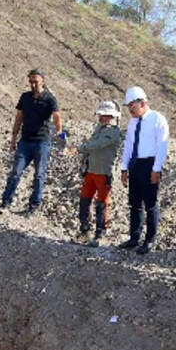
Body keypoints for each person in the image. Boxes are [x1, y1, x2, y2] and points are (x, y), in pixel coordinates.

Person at [0, 69, 63, 215]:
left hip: (42, 142)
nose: (33, 84)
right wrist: (13, 138)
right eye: (31, 81)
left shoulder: (49, 98)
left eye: (36, 81)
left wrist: (59, 131)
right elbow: (19, 118)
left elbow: (57, 117)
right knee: (15, 172)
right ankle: (5, 202)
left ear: (42, 82)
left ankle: (33, 206)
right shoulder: (25, 97)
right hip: (25, 141)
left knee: (39, 174)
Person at [118, 86, 170, 255]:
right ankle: (134, 237)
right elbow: (128, 146)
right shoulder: (133, 123)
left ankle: (150, 240)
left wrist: (156, 169)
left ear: (142, 103)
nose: (130, 110)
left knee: (151, 204)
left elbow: (162, 145)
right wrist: (124, 168)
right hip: (135, 165)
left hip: (150, 164)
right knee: (134, 204)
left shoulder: (157, 119)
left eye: (131, 106)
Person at [67, 101, 123, 246]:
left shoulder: (114, 132)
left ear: (108, 115)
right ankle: (85, 231)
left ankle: (100, 234)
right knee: (85, 200)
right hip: (91, 170)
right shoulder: (99, 129)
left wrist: (79, 148)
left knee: (102, 202)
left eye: (101, 114)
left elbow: (97, 144)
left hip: (104, 172)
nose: (99, 117)